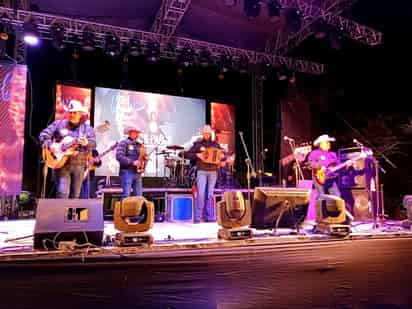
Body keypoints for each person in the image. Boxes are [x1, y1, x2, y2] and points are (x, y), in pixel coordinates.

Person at [39, 100, 96, 199]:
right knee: (62, 193)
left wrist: (87, 143)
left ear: (80, 114)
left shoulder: (87, 129)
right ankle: (61, 215)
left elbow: (94, 144)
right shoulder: (58, 124)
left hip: (79, 165)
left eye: (75, 112)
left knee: (75, 196)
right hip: (61, 164)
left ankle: (72, 215)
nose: (72, 114)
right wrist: (51, 146)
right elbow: (43, 136)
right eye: (70, 112)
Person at [186, 125, 225, 223]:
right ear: (202, 133)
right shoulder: (198, 144)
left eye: (208, 133)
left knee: (209, 195)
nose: (206, 134)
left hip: (213, 172)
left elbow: (224, 156)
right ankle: (197, 218)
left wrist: (223, 156)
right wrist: (196, 155)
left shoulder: (215, 145)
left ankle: (209, 217)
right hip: (202, 171)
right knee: (201, 194)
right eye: (204, 133)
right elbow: (187, 154)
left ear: (210, 133)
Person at [116, 126, 147, 199]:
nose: (137, 134)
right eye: (136, 132)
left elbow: (142, 157)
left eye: (138, 133)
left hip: (137, 173)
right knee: (126, 195)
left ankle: (137, 210)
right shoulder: (123, 143)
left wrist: (145, 159)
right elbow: (119, 156)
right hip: (127, 172)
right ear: (130, 133)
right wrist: (132, 162)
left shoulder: (139, 145)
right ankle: (124, 210)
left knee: (139, 197)